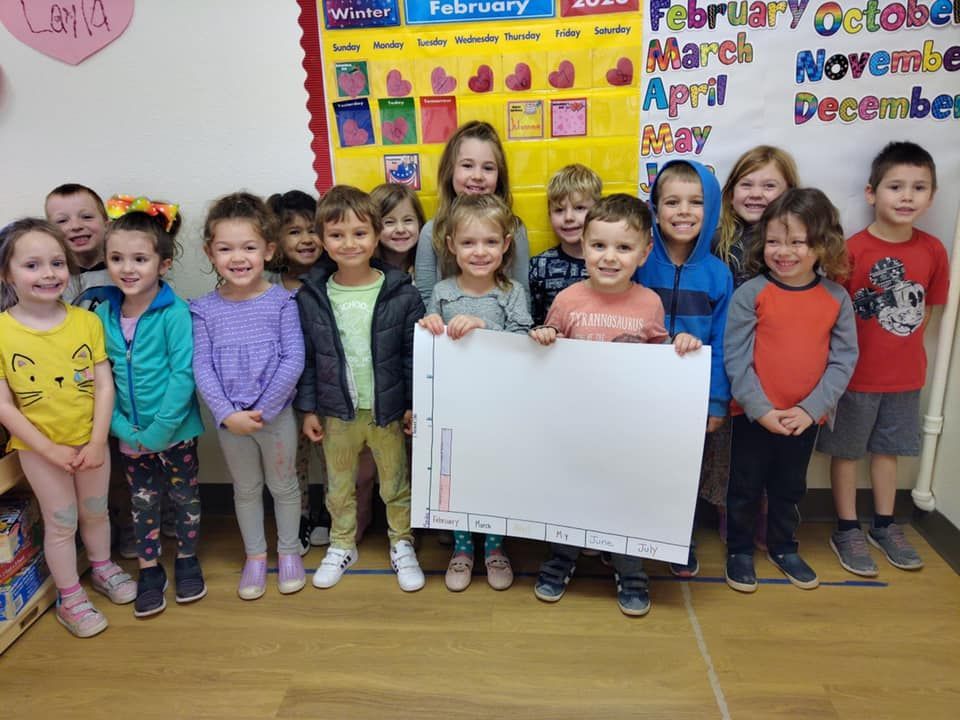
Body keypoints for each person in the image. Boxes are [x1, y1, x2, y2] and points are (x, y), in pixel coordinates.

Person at [528, 194, 702, 616]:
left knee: (624, 500)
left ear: (643, 254)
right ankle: (561, 559)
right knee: (569, 497)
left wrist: (680, 346)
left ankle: (631, 570)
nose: (609, 258)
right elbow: (546, 354)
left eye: (623, 248)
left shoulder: (649, 304)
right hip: (573, 428)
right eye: (599, 246)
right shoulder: (568, 299)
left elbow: (659, 361)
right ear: (584, 246)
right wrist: (545, 335)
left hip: (626, 433)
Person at [817, 141, 948, 576]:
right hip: (853, 379)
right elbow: (833, 315)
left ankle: (886, 524)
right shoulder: (852, 250)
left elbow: (925, 313)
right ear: (872, 193)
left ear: (932, 196)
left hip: (905, 379)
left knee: (889, 453)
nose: (907, 196)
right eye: (896, 186)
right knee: (847, 452)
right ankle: (847, 527)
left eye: (918, 187)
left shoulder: (933, 251)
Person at [0, 218, 136, 638]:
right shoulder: (2, 330)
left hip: (91, 442)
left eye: (57, 263)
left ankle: (101, 567)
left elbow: (104, 383)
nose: (48, 274)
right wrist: (48, 449)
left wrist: (98, 440)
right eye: (33, 265)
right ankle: (69, 596)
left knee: (95, 512)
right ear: (7, 273)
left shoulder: (86, 322)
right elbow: (3, 403)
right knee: (62, 522)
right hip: (40, 450)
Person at [724, 188, 857, 593]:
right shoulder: (751, 294)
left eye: (797, 242)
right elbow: (736, 356)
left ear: (822, 245)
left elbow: (843, 361)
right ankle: (740, 550)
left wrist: (810, 408)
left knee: (789, 487)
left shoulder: (836, 299)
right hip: (753, 415)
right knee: (745, 486)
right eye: (775, 241)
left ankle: (784, 547)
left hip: (805, 418)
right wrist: (760, 409)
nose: (784, 251)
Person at [296, 185, 426, 592]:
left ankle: (401, 542)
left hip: (386, 411)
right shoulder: (313, 296)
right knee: (339, 485)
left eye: (359, 233)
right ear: (322, 241)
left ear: (376, 236)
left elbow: (411, 356)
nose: (349, 243)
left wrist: (410, 404)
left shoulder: (401, 294)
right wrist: (309, 409)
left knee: (394, 483)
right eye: (337, 235)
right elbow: (309, 358)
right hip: (337, 411)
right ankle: (341, 543)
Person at [190, 192, 306, 600]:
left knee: (285, 486)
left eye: (249, 247)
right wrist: (227, 414)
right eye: (225, 248)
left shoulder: (282, 302)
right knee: (246, 489)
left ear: (268, 250)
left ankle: (289, 551)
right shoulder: (203, 310)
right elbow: (202, 367)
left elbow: (293, 359)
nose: (237, 258)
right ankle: (256, 556)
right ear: (210, 252)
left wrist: (265, 410)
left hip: (275, 419)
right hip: (231, 424)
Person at [95, 205, 206, 617]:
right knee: (142, 503)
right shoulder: (103, 316)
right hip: (128, 433)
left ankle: (187, 559)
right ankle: (149, 569)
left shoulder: (175, 313)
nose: (127, 268)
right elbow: (101, 379)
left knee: (184, 497)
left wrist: (161, 428)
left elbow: (183, 374)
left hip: (175, 432)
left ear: (164, 263)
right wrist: (122, 427)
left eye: (139, 259)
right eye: (116, 258)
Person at [420, 193, 534, 591]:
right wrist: (430, 323)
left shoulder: (513, 292)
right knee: (462, 478)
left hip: (501, 408)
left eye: (490, 242)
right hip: (456, 408)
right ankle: (464, 549)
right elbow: (431, 348)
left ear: (506, 245)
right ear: (451, 245)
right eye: (468, 242)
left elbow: (524, 340)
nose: (480, 251)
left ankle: (495, 548)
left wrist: (486, 331)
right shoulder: (443, 293)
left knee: (496, 475)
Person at [636, 160, 733, 577]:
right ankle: (630, 536)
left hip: (691, 397)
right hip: (640, 392)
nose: (683, 211)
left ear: (710, 209)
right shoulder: (639, 261)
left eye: (696, 202)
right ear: (655, 208)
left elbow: (724, 341)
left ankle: (678, 537)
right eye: (672, 201)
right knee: (638, 464)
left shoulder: (718, 275)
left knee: (683, 468)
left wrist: (716, 399)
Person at [710, 147, 800, 546]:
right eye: (746, 184)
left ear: (789, 192)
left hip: (773, 358)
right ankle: (726, 508)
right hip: (726, 354)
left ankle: (761, 507)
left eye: (769, 185)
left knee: (766, 440)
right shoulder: (717, 240)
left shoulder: (793, 247)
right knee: (726, 445)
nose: (756, 193)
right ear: (730, 192)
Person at [265, 190, 335, 553]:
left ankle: (328, 512)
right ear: (274, 241)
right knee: (293, 459)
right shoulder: (270, 287)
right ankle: (302, 517)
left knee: (329, 454)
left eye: (312, 229)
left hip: (325, 387)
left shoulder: (332, 280)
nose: (306, 239)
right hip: (284, 393)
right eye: (293, 232)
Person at [414, 121, 530, 306]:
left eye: (488, 168)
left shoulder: (514, 229)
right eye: (467, 165)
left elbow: (523, 295)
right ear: (450, 170)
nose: (477, 176)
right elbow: (424, 300)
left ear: (499, 176)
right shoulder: (432, 231)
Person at [528, 164, 602, 326]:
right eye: (559, 210)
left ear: (597, 211)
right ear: (549, 214)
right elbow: (531, 323)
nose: (568, 217)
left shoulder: (609, 262)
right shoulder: (538, 266)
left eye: (579, 208)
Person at [371, 182, 426, 274]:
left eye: (408, 220)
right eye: (389, 222)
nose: (400, 229)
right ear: (373, 226)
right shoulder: (366, 270)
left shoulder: (430, 266)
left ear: (419, 223)